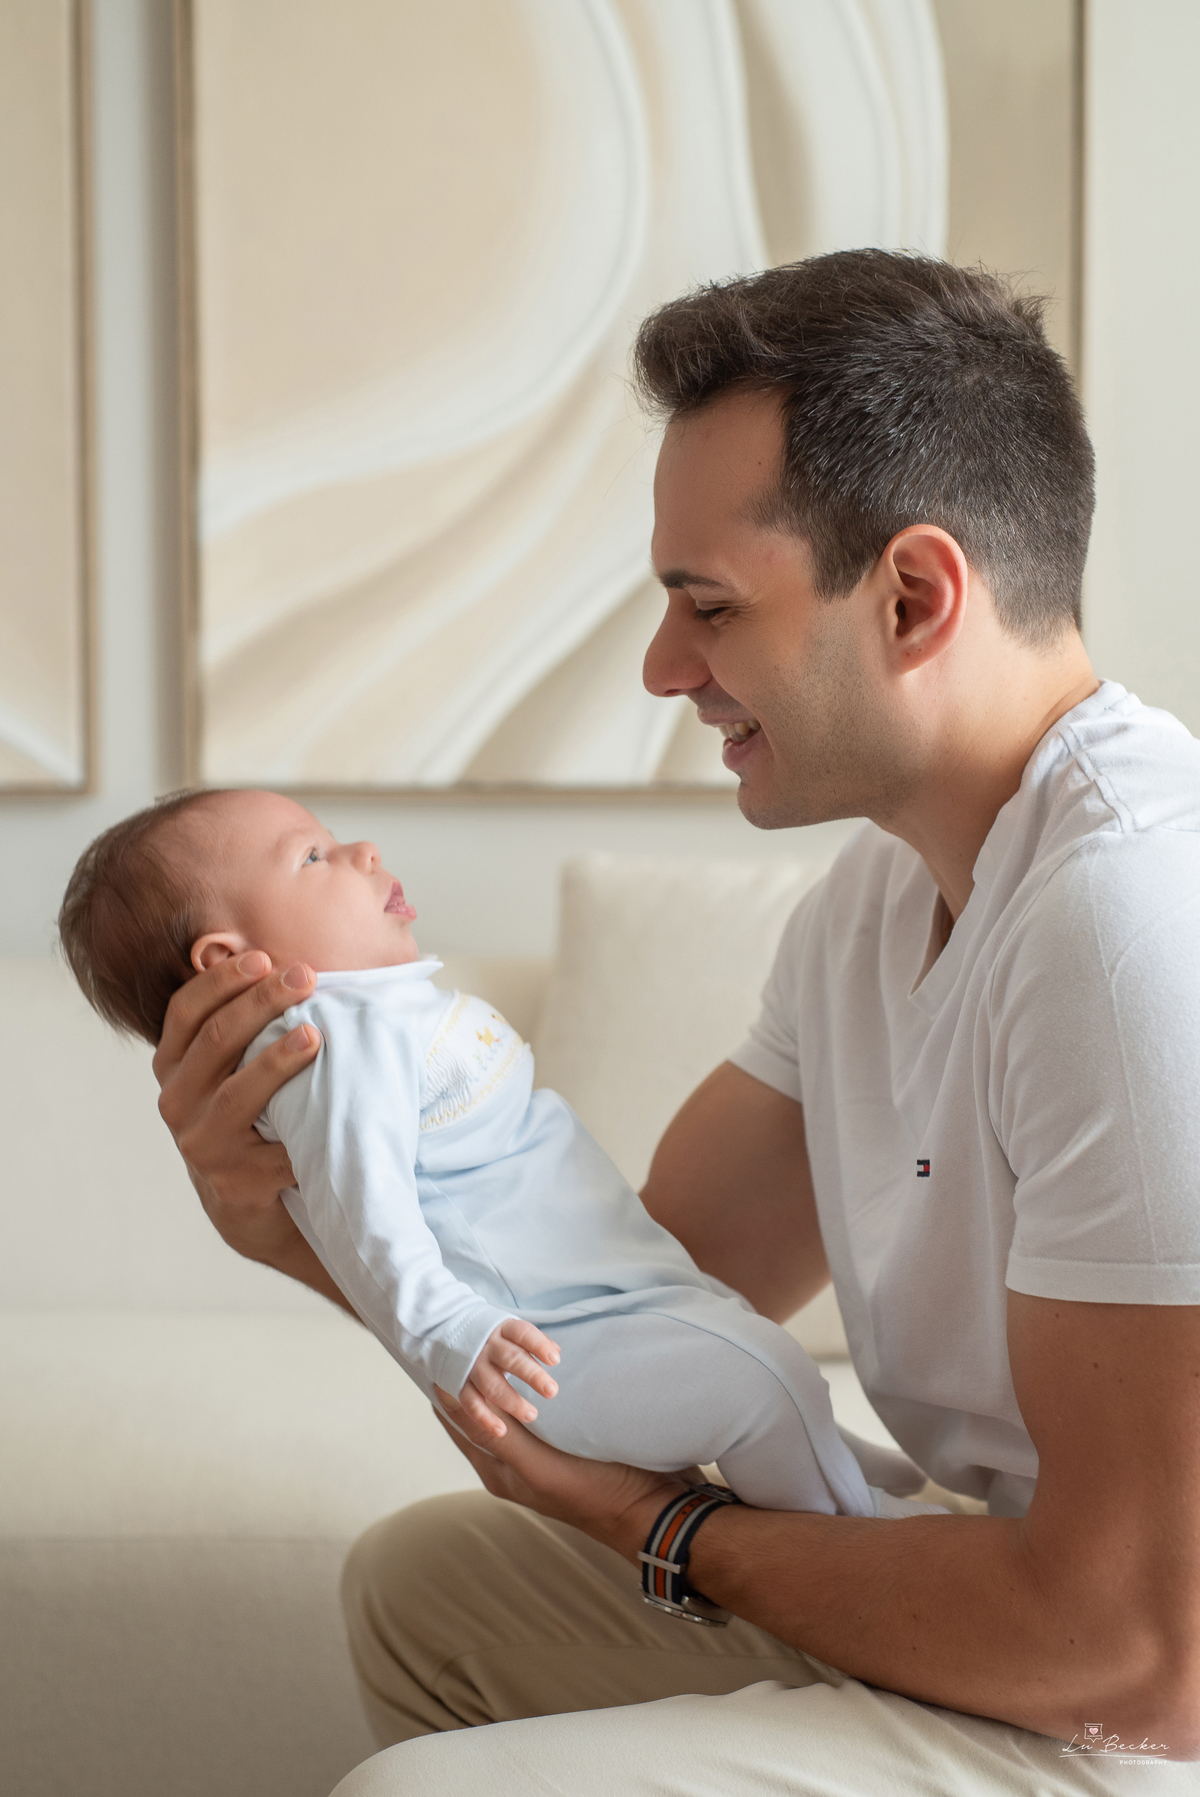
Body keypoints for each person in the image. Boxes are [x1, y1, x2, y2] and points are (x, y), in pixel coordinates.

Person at [150, 252, 1200, 1791]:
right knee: (428, 1591)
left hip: (1139, 1695)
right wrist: (301, 1225)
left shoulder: (1133, 924)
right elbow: (633, 1301)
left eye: (707, 606)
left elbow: (1147, 1654)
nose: (663, 669)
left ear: (914, 597)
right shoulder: (876, 901)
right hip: (1051, 1602)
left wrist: (663, 1530)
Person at [57, 787, 934, 1525]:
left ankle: (832, 1465)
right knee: (760, 1382)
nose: (363, 851)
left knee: (746, 1341)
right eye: (313, 857)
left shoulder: (379, 1015)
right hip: (545, 1348)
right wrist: (449, 1332)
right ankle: (859, 1526)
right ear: (231, 962)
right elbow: (364, 1205)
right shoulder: (329, 1040)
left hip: (603, 1299)